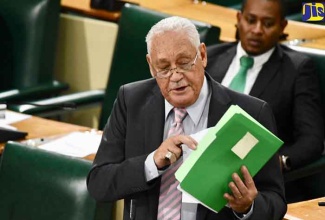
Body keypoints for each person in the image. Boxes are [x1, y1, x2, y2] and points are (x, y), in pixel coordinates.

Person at [87, 16, 286, 219]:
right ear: (151, 66)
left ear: (202, 55)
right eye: (164, 68)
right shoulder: (131, 101)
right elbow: (99, 184)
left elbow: (276, 202)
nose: (175, 76)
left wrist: (246, 206)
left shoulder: (252, 112)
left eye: (184, 63)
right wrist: (151, 163)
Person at [205, 0, 324, 202]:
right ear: (239, 19)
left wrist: (279, 162)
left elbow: (311, 140)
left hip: (254, 181)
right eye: (251, 20)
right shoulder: (211, 57)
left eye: (268, 23)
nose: (257, 30)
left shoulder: (297, 70)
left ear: (282, 26)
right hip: (201, 165)